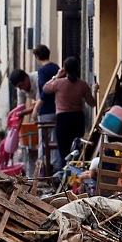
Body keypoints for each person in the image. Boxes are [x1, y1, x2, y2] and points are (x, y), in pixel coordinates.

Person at [42, 55, 95, 169]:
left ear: (64, 69)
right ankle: (75, 176)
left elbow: (45, 88)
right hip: (77, 119)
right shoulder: (83, 85)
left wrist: (56, 76)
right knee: (77, 150)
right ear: (78, 69)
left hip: (63, 119)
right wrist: (94, 90)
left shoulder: (59, 83)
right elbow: (92, 103)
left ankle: (64, 177)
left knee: (64, 151)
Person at [32, 45, 60, 173]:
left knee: (43, 139)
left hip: (45, 110)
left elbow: (45, 90)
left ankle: (42, 168)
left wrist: (36, 107)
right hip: (58, 108)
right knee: (55, 139)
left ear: (37, 57)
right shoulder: (56, 68)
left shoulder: (42, 71)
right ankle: (56, 167)